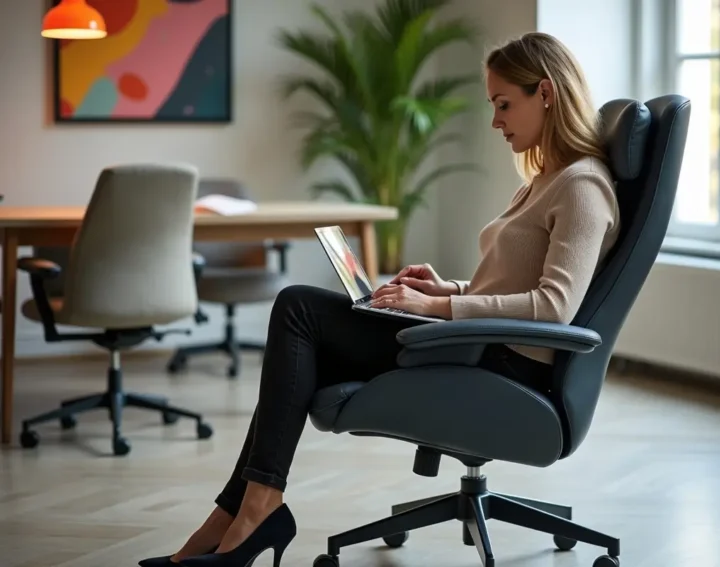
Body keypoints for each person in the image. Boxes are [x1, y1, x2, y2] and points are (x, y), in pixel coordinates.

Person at [139, 31, 621, 567]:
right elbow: (516, 286)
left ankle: (250, 515)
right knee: (304, 338)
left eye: (504, 104)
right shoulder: (544, 180)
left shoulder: (583, 185)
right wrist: (446, 289)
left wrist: (438, 309)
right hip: (476, 341)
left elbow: (554, 307)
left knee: (299, 309)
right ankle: (240, 514)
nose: (495, 121)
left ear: (547, 93)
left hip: (502, 362)